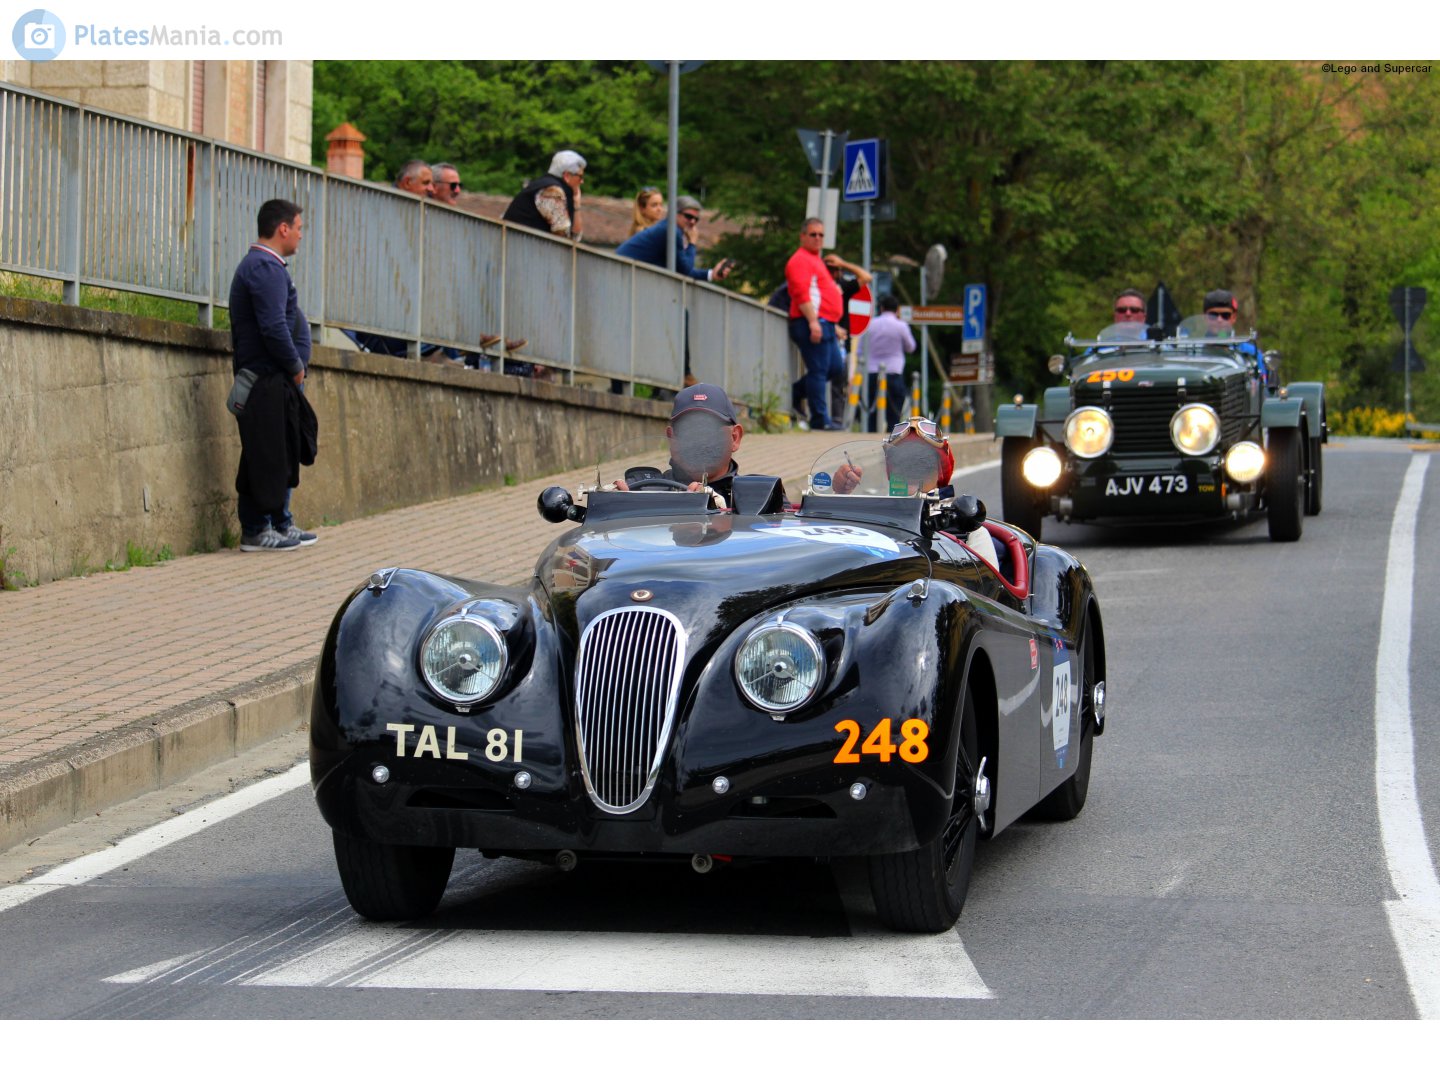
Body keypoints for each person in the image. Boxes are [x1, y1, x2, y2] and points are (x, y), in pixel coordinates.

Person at [228, 198, 319, 552]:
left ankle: (280, 521)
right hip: (265, 379)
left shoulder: (269, 267)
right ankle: (256, 528)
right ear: (283, 228)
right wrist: (296, 367)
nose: (299, 235)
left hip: (274, 380)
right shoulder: (264, 268)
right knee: (263, 454)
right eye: (298, 228)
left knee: (280, 451)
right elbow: (273, 327)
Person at [831, 417, 999, 566]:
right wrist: (841, 497)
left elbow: (986, 591)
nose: (911, 470)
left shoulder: (970, 532)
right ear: (891, 470)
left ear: (940, 472)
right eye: (903, 462)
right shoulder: (869, 518)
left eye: (922, 464)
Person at [613, 383, 743, 501]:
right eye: (687, 429)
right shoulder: (641, 492)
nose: (698, 439)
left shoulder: (756, 497)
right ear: (671, 439)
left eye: (708, 429)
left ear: (735, 438)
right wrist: (623, 506)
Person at [785, 218, 846, 430]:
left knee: (836, 367)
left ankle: (793, 393)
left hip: (826, 323)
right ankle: (820, 420)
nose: (818, 238)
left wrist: (832, 323)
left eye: (821, 234)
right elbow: (801, 293)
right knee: (819, 370)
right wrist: (813, 321)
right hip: (810, 321)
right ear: (803, 236)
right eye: (813, 234)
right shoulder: (800, 260)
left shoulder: (816, 260)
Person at [615, 196, 734, 284]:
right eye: (688, 216)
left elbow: (679, 268)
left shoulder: (668, 228)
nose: (692, 222)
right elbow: (685, 271)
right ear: (675, 214)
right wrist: (692, 243)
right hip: (622, 277)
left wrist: (711, 274)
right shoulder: (671, 232)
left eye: (696, 219)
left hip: (625, 277)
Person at [502, 150, 585, 241]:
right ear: (567, 176)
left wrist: (576, 204)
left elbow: (575, 237)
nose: (582, 181)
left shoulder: (544, 185)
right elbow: (563, 235)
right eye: (580, 176)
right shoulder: (551, 191)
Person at [865, 294, 916, 431]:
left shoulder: (871, 325)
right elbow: (911, 347)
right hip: (894, 372)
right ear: (897, 310)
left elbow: (861, 349)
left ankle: (871, 438)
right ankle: (891, 440)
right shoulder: (901, 326)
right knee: (894, 414)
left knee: (872, 412)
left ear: (881, 308)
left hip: (873, 372)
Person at [1201, 288, 1268, 380]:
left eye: (1225, 316)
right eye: (1213, 315)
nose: (1219, 320)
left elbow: (1263, 386)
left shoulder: (1250, 353)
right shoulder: (1192, 352)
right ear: (1205, 317)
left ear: (1233, 317)